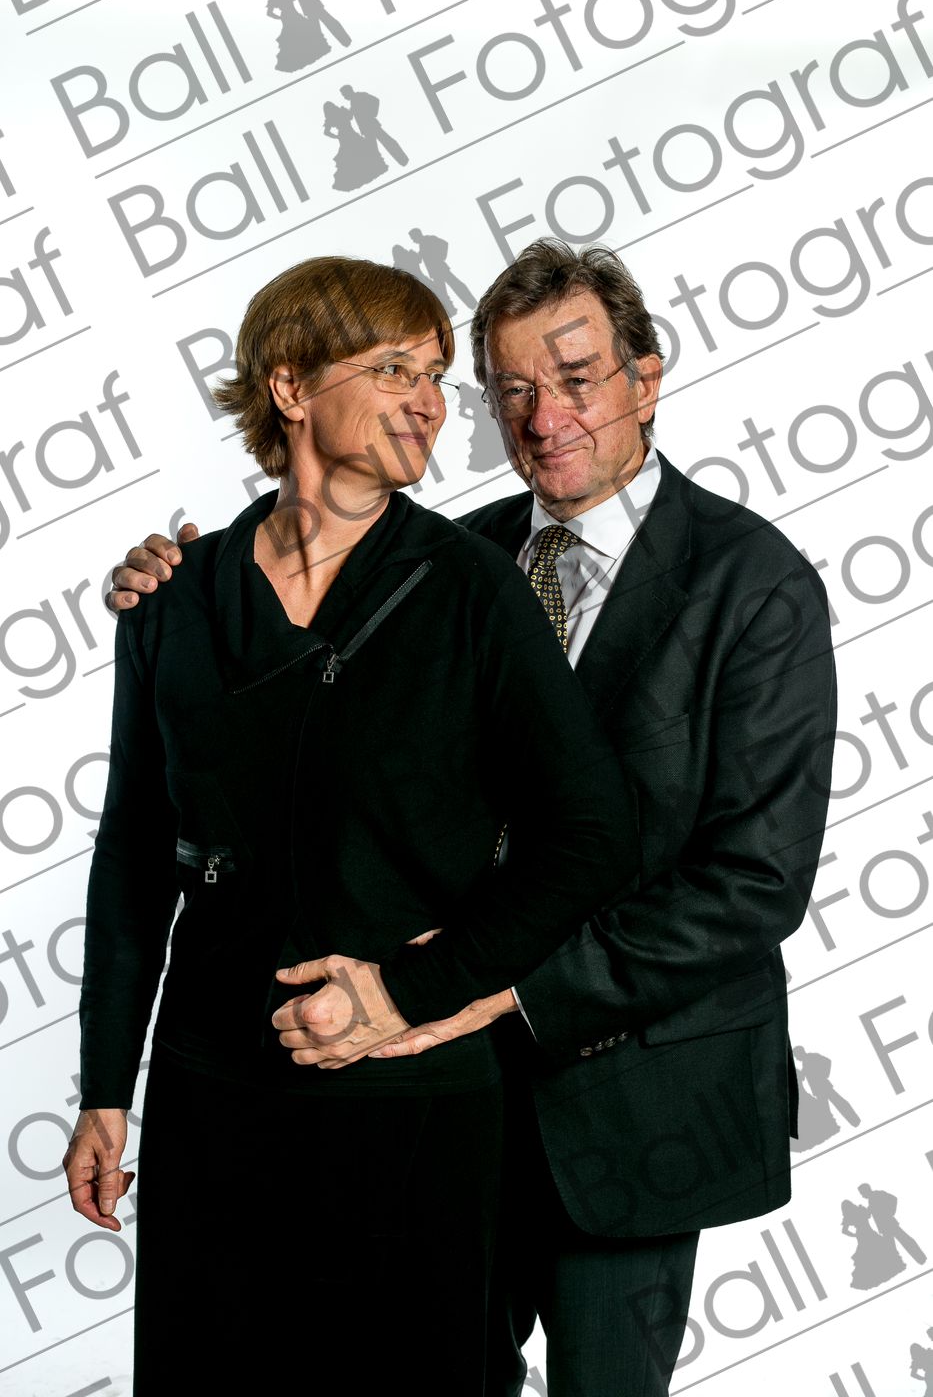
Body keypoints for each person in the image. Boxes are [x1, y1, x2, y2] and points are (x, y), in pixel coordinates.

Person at [107, 239, 837, 1396]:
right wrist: (185, 588)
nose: (543, 418)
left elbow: (752, 882)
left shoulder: (753, 582)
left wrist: (486, 986)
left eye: (577, 378)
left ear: (646, 378)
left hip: (627, 1096)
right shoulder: (460, 555)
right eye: (509, 390)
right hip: (438, 1100)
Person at [64, 254, 636, 1396]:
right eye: (392, 370)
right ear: (290, 388)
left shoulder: (472, 589)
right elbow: (131, 855)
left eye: (435, 375)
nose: (430, 402)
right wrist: (105, 1090)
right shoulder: (173, 598)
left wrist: (410, 992)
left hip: (410, 1107)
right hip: (214, 1101)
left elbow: (591, 834)